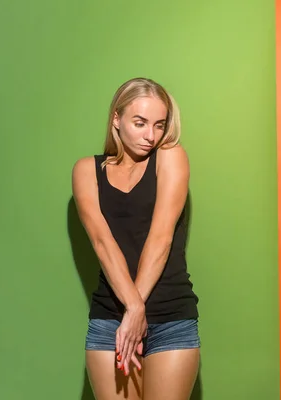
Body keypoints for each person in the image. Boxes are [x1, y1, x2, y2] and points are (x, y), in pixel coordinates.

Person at [72, 77, 200, 400]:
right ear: (116, 118)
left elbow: (161, 238)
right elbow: (103, 244)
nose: (151, 135)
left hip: (171, 319)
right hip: (110, 322)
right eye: (140, 123)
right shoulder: (87, 171)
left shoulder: (171, 157)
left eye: (159, 125)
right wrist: (132, 310)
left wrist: (134, 311)